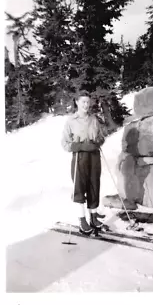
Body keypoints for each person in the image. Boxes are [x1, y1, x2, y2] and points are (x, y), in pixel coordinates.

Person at [61, 90, 106, 235]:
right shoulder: (71, 121)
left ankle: (93, 217)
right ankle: (82, 220)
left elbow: (101, 136)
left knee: (94, 186)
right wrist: (77, 146)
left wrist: (98, 142)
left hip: (94, 157)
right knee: (80, 187)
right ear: (77, 102)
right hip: (80, 157)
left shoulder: (94, 119)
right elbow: (65, 142)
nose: (86, 105)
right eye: (83, 102)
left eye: (88, 102)